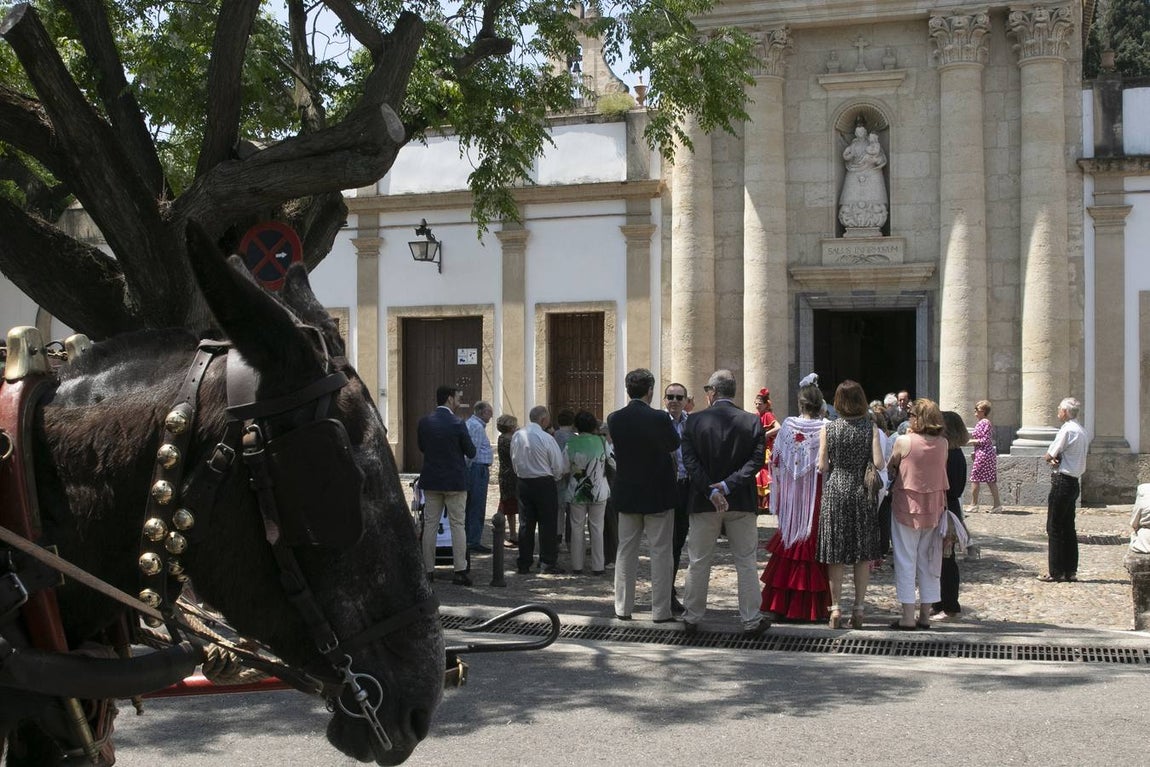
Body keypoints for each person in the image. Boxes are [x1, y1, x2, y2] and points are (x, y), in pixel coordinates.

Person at [681, 369, 771, 637]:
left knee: (698, 560)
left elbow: (690, 462)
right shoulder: (751, 422)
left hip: (703, 501)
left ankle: (692, 616)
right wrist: (728, 485)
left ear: (712, 392)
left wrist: (711, 490)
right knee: (745, 561)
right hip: (740, 501)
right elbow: (756, 462)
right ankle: (751, 619)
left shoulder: (694, 421)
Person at [607, 368, 681, 622]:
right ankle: (660, 610)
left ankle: (622, 607)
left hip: (627, 492)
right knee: (661, 552)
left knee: (625, 551)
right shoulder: (660, 418)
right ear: (650, 390)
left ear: (628, 390)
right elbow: (674, 444)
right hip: (658, 492)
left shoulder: (615, 418)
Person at [759, 374, 831, 622]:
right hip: (815, 493)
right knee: (810, 540)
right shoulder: (826, 428)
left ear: (800, 404)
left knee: (790, 539)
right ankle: (811, 608)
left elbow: (775, 459)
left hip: (792, 492)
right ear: (821, 404)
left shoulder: (788, 425)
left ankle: (781, 604)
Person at [817, 379, 884, 630]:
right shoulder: (871, 428)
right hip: (860, 492)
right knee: (861, 553)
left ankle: (835, 609)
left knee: (835, 553)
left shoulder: (829, 429)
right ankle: (858, 608)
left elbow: (822, 466)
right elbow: (879, 463)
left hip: (836, 490)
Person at [885, 398, 949, 629]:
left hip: (907, 506)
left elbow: (891, 465)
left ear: (917, 418)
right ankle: (924, 614)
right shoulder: (942, 443)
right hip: (933, 507)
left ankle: (907, 616)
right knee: (929, 560)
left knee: (905, 559)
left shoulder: (904, 441)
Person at [417, 385, 476, 586]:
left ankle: (428, 570)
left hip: (432, 480)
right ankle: (459, 570)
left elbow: (422, 447)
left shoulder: (425, 422)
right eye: (457, 397)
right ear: (450, 399)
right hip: (455, 481)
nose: (459, 400)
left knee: (430, 525)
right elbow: (471, 451)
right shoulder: (458, 423)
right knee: (457, 524)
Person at [511, 405, 568, 575]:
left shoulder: (517, 435)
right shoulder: (546, 438)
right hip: (543, 482)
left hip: (523, 481)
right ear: (543, 420)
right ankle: (547, 561)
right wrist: (555, 478)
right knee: (547, 524)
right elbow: (557, 465)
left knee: (526, 523)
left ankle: (524, 561)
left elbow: (513, 458)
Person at [1039, 397, 1088, 583]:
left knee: (1054, 526)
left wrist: (1051, 458)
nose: (1058, 412)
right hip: (1074, 481)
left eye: (1059, 409)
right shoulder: (1081, 430)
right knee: (1068, 527)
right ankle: (1070, 570)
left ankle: (1056, 571)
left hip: (1062, 480)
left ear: (1066, 412)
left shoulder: (1067, 429)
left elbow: (1049, 454)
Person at [564, 411, 614, 575]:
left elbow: (564, 467)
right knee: (597, 528)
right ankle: (598, 566)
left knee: (577, 527)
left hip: (577, 491)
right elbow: (612, 462)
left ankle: (577, 565)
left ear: (576, 425)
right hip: (598, 491)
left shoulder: (571, 443)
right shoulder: (601, 441)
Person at [932, 411, 969, 620]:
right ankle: (939, 601)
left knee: (946, 559)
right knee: (940, 558)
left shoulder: (951, 455)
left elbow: (953, 487)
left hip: (946, 507)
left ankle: (950, 604)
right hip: (949, 506)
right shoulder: (954, 453)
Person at [665, 382, 691, 614]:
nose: (674, 400)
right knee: (666, 544)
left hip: (686, 487)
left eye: (678, 397)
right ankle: (667, 593)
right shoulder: (658, 422)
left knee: (678, 542)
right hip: (664, 488)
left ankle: (669, 591)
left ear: (686, 401)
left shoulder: (691, 422)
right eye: (670, 396)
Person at [464, 400, 494, 553]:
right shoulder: (476, 427)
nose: (492, 415)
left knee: (472, 505)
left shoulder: (474, 425)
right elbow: (472, 453)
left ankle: (470, 538)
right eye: (490, 412)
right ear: (482, 412)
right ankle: (473, 540)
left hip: (476, 469)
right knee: (477, 505)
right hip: (477, 470)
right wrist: (468, 470)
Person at [969, 400, 1003, 513]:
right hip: (982, 453)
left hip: (984, 453)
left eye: (977, 409)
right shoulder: (981, 422)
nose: (975, 412)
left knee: (975, 478)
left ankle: (974, 504)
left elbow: (986, 440)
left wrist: (972, 441)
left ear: (983, 411)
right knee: (989, 479)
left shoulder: (985, 422)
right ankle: (997, 505)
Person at [753, 388, 780, 512]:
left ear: (766, 404)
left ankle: (767, 504)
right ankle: (761, 504)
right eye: (756, 404)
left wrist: (765, 435)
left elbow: (778, 427)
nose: (758, 406)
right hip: (758, 448)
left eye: (760, 404)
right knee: (759, 473)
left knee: (764, 472)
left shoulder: (768, 415)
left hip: (767, 449)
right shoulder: (756, 416)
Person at [495, 414, 520, 547]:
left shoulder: (502, 438)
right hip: (511, 475)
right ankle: (512, 534)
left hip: (506, 474)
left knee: (507, 503)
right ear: (511, 427)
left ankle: (511, 534)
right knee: (510, 504)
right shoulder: (509, 441)